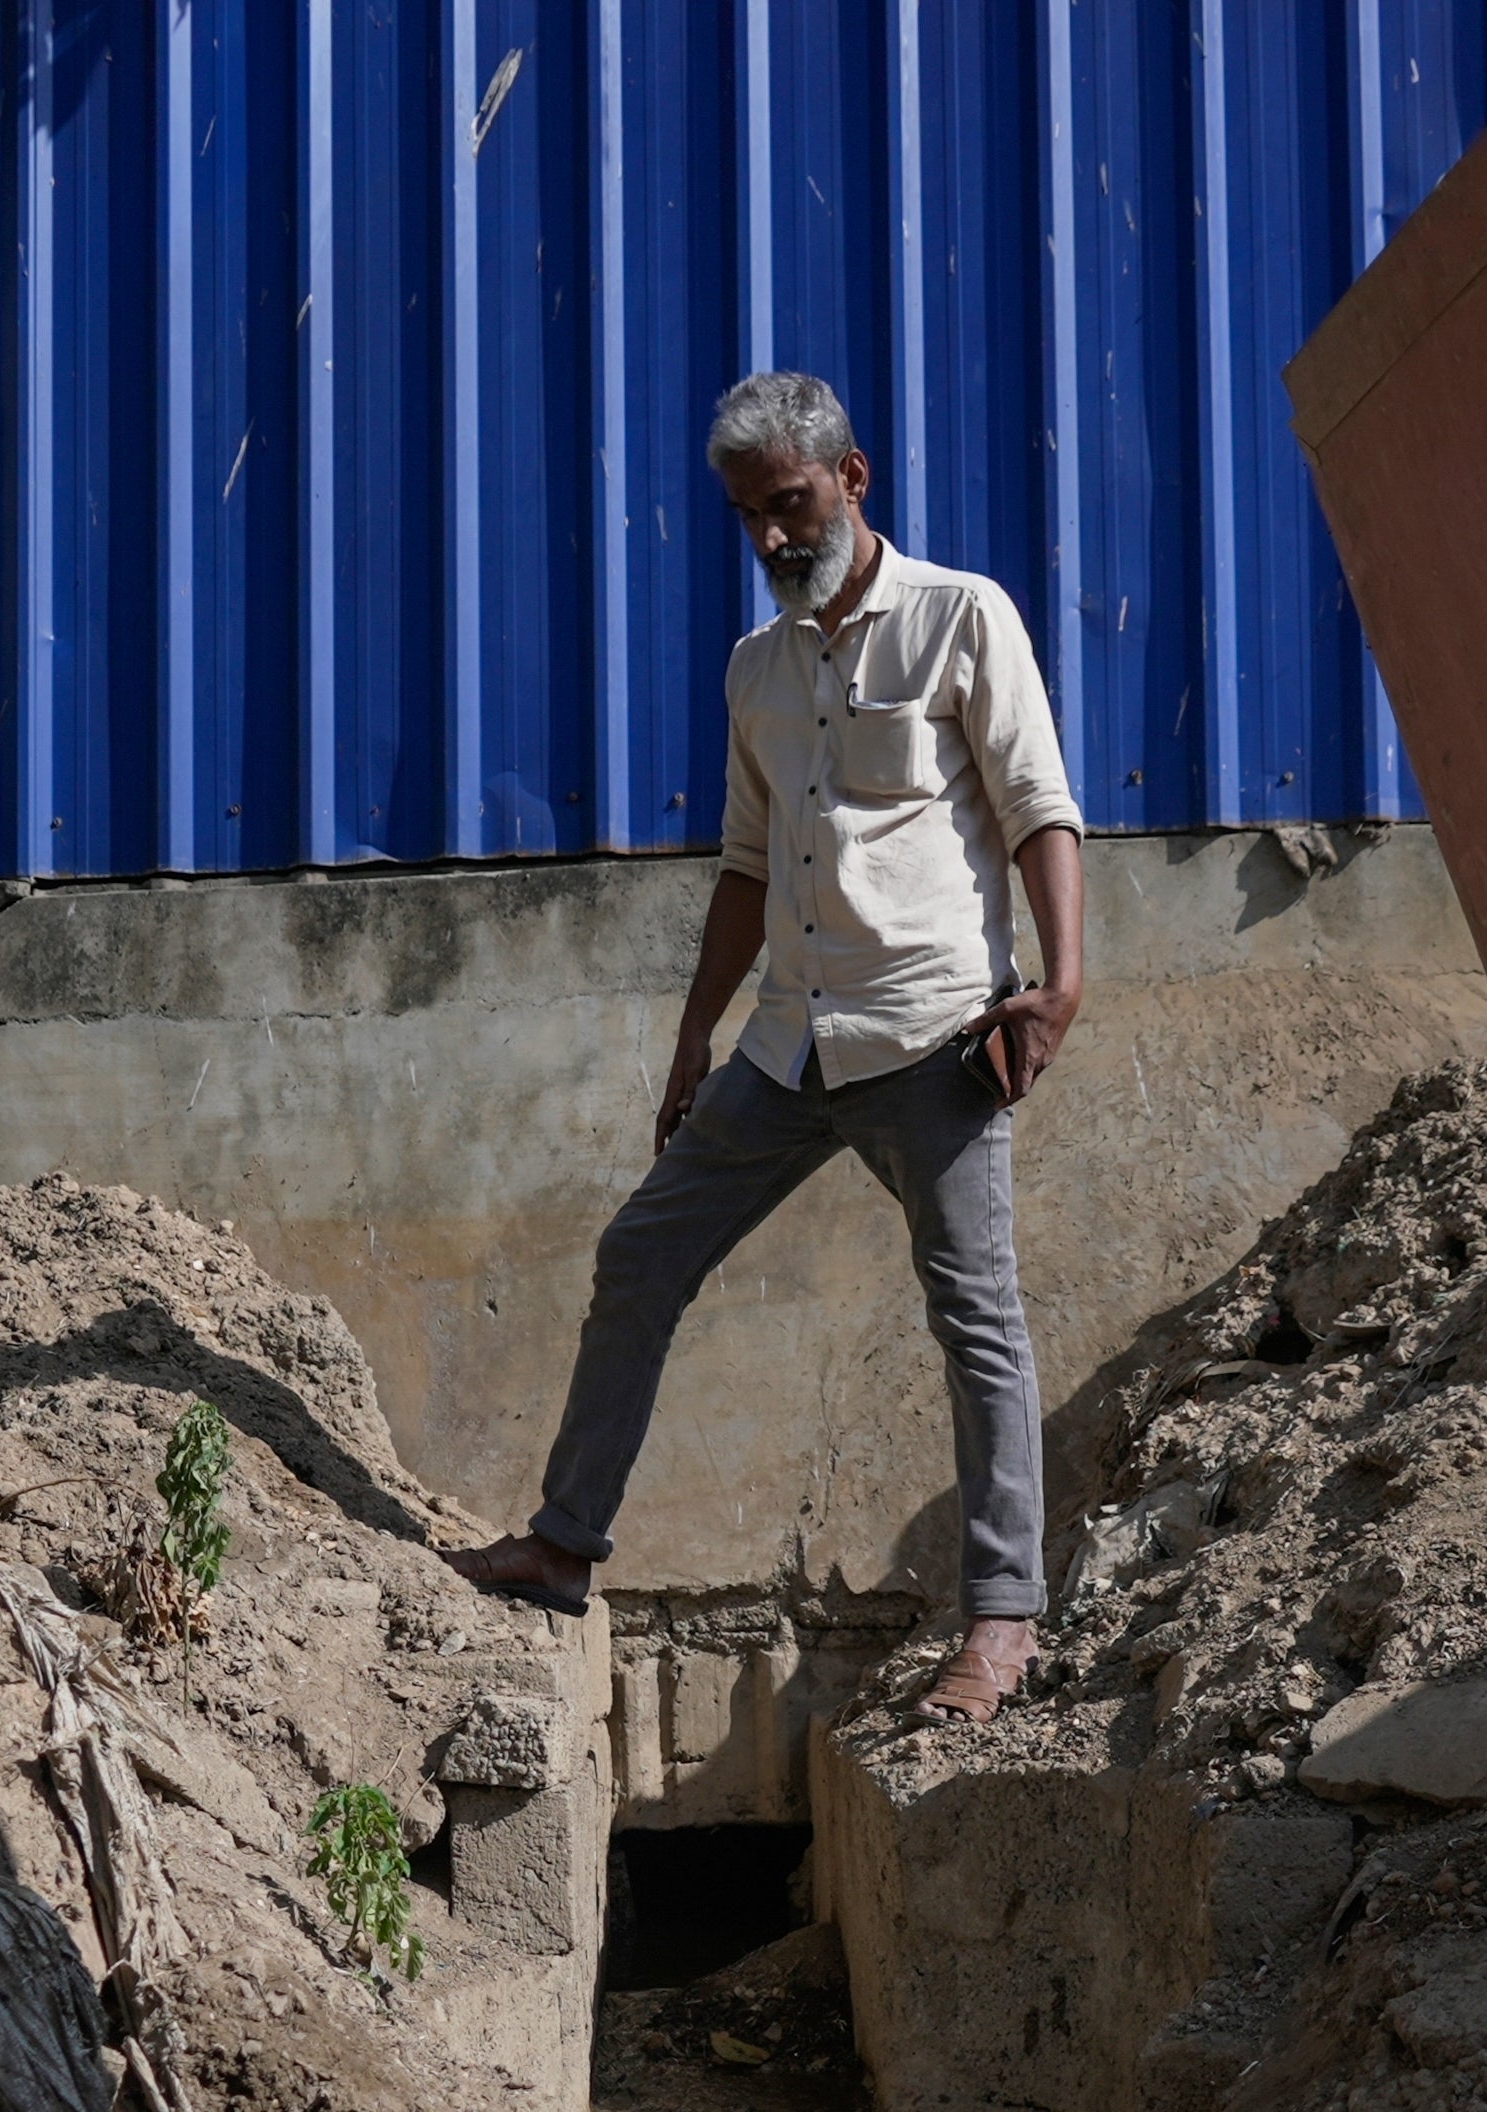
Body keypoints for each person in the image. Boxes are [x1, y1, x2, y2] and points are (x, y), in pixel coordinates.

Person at [441, 371, 1085, 1725]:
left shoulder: (963, 619)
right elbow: (748, 864)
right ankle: (564, 1546)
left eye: (789, 505)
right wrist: (694, 1032)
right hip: (791, 1044)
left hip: (933, 1036)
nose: (774, 539)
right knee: (640, 1255)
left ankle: (1004, 1625)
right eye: (750, 518)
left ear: (854, 479)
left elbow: (1038, 808)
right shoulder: (759, 667)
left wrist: (1063, 983)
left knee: (977, 1319)